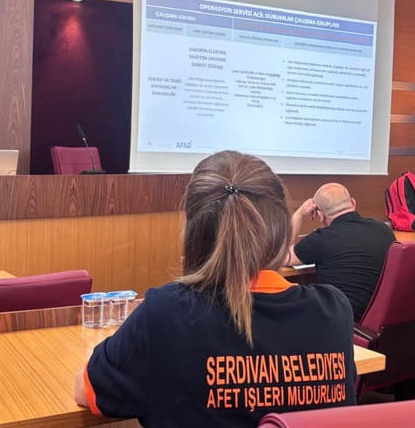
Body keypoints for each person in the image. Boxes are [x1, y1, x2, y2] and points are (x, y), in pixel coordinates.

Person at [74, 151, 357, 427]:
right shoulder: (334, 311)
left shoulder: (166, 312)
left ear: (193, 229)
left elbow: (87, 392)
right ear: (282, 227)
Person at [289, 183, 396, 321]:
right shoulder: (384, 230)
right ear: (353, 203)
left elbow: (282, 256)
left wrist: (299, 214)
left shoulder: (321, 239)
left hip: (345, 322)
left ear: (320, 215)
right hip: (385, 322)